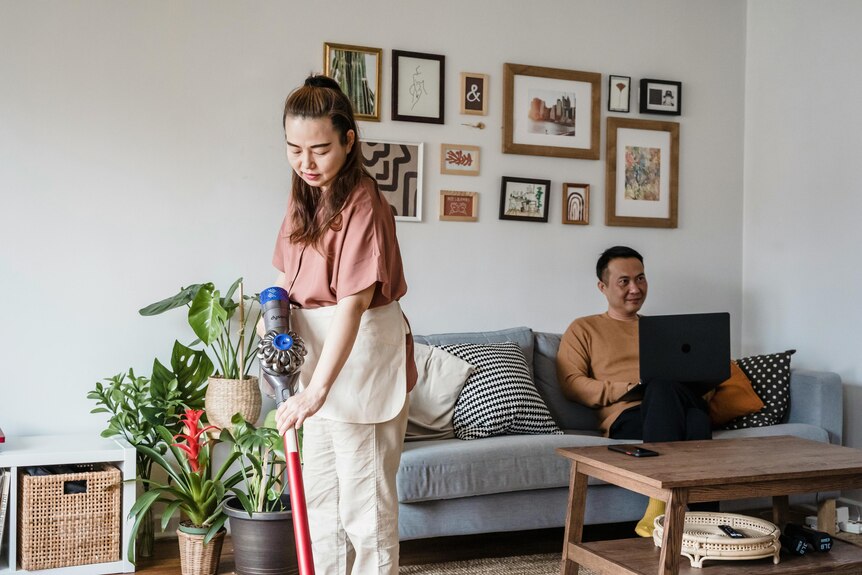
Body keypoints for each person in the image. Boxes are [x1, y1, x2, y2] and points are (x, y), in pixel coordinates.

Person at [270, 74, 416, 575]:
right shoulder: (302, 197)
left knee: (365, 514)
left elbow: (351, 306)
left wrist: (314, 394)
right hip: (317, 361)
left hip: (361, 363)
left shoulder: (365, 203)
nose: (305, 163)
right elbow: (286, 283)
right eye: (293, 149)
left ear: (349, 140)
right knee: (321, 506)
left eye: (319, 149)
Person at [556, 246, 711, 537]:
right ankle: (688, 510)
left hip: (671, 401)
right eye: (624, 281)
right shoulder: (583, 328)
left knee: (669, 388)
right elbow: (571, 383)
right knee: (696, 420)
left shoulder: (663, 330)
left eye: (640, 279)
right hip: (626, 414)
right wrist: (626, 388)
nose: (635, 288)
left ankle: (671, 511)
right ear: (602, 287)